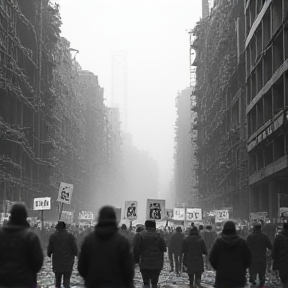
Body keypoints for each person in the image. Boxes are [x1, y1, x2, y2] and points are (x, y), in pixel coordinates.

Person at [78, 206, 134, 288]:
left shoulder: (89, 240)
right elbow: (128, 269)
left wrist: (90, 278)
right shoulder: (122, 241)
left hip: (94, 284)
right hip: (116, 284)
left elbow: (82, 267)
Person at [0, 203, 44, 288]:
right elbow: (38, 263)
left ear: (11, 215)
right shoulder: (31, 236)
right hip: (25, 282)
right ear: (25, 216)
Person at [209, 221, 252, 288]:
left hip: (222, 278)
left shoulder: (218, 242)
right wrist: (242, 268)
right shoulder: (242, 242)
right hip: (238, 278)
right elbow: (248, 258)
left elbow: (212, 258)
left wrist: (219, 268)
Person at [133, 219, 167, 288]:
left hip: (144, 262)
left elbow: (136, 249)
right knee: (154, 283)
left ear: (145, 226)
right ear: (154, 226)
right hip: (157, 263)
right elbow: (164, 249)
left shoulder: (139, 235)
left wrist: (136, 261)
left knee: (146, 282)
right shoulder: (159, 236)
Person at [48, 221, 78, 288]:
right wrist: (76, 254)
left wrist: (49, 254)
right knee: (67, 281)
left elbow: (50, 249)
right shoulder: (70, 236)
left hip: (57, 261)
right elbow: (75, 248)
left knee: (57, 281)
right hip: (68, 261)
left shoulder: (53, 236)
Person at [272, 222, 288, 287]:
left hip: (282, 262)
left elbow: (275, 251)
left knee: (284, 281)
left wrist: (274, 265)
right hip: (283, 261)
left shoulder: (278, 236)